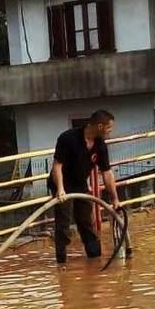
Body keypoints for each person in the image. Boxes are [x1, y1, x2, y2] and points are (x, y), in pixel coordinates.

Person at [48, 110, 120, 264]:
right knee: (64, 224)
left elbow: (107, 173)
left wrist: (115, 199)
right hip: (62, 183)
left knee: (87, 222)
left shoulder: (100, 146)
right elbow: (57, 166)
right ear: (100, 126)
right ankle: (61, 263)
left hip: (80, 185)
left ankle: (95, 258)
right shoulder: (68, 138)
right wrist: (60, 189)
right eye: (109, 128)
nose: (110, 132)